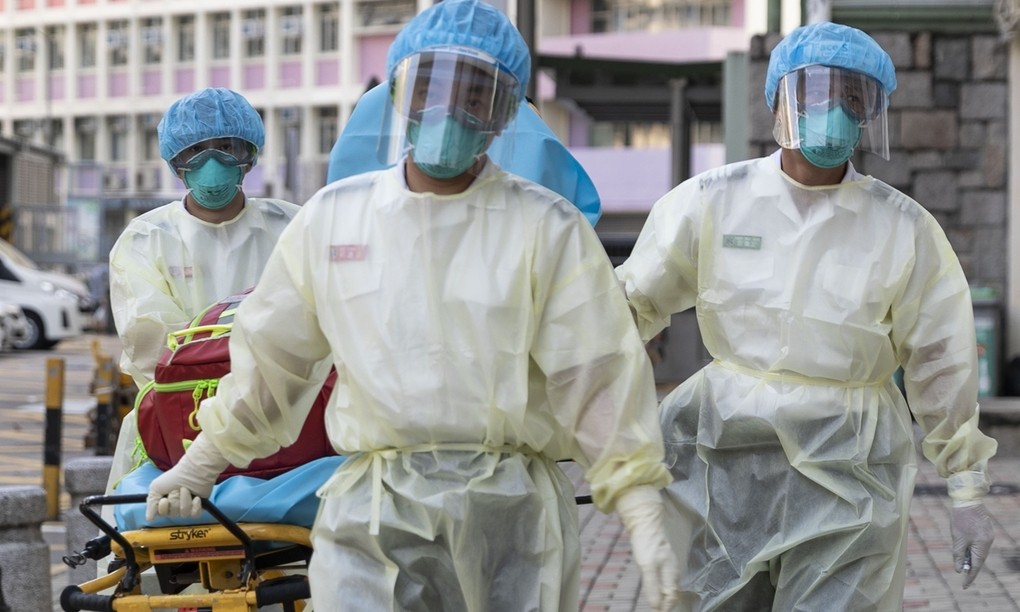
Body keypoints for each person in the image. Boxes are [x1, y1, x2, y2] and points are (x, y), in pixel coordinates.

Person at [145, 1, 678, 610]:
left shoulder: (546, 227)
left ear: (506, 112)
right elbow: (274, 366)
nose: (450, 108)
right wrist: (201, 462)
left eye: (475, 94)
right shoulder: (334, 218)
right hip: (372, 515)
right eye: (431, 85)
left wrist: (640, 507)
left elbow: (596, 374)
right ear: (399, 91)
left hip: (512, 520)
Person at [616, 21, 998, 611]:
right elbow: (626, 309)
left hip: (850, 477)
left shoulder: (903, 227)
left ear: (871, 113)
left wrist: (967, 486)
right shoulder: (712, 201)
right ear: (778, 102)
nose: (834, 112)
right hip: (723, 461)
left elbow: (940, 359)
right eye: (817, 93)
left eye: (852, 98)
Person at [105, 87, 301, 497]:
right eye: (196, 150)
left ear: (250, 155)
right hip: (176, 425)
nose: (212, 162)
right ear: (176, 163)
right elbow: (153, 349)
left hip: (288, 424)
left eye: (227, 147)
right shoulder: (145, 239)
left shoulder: (292, 227)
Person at [327, 81, 603, 226]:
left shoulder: (376, 103)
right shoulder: (520, 113)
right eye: (430, 97)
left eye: (471, 103)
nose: (447, 117)